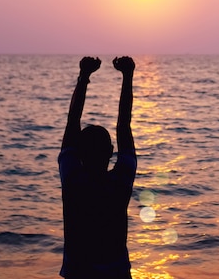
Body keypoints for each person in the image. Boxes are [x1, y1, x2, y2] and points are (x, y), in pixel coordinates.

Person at [58, 56, 137, 279]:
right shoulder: (120, 181)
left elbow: (72, 121)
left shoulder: (73, 179)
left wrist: (84, 77)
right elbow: (124, 125)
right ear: (111, 151)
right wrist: (127, 76)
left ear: (80, 153)